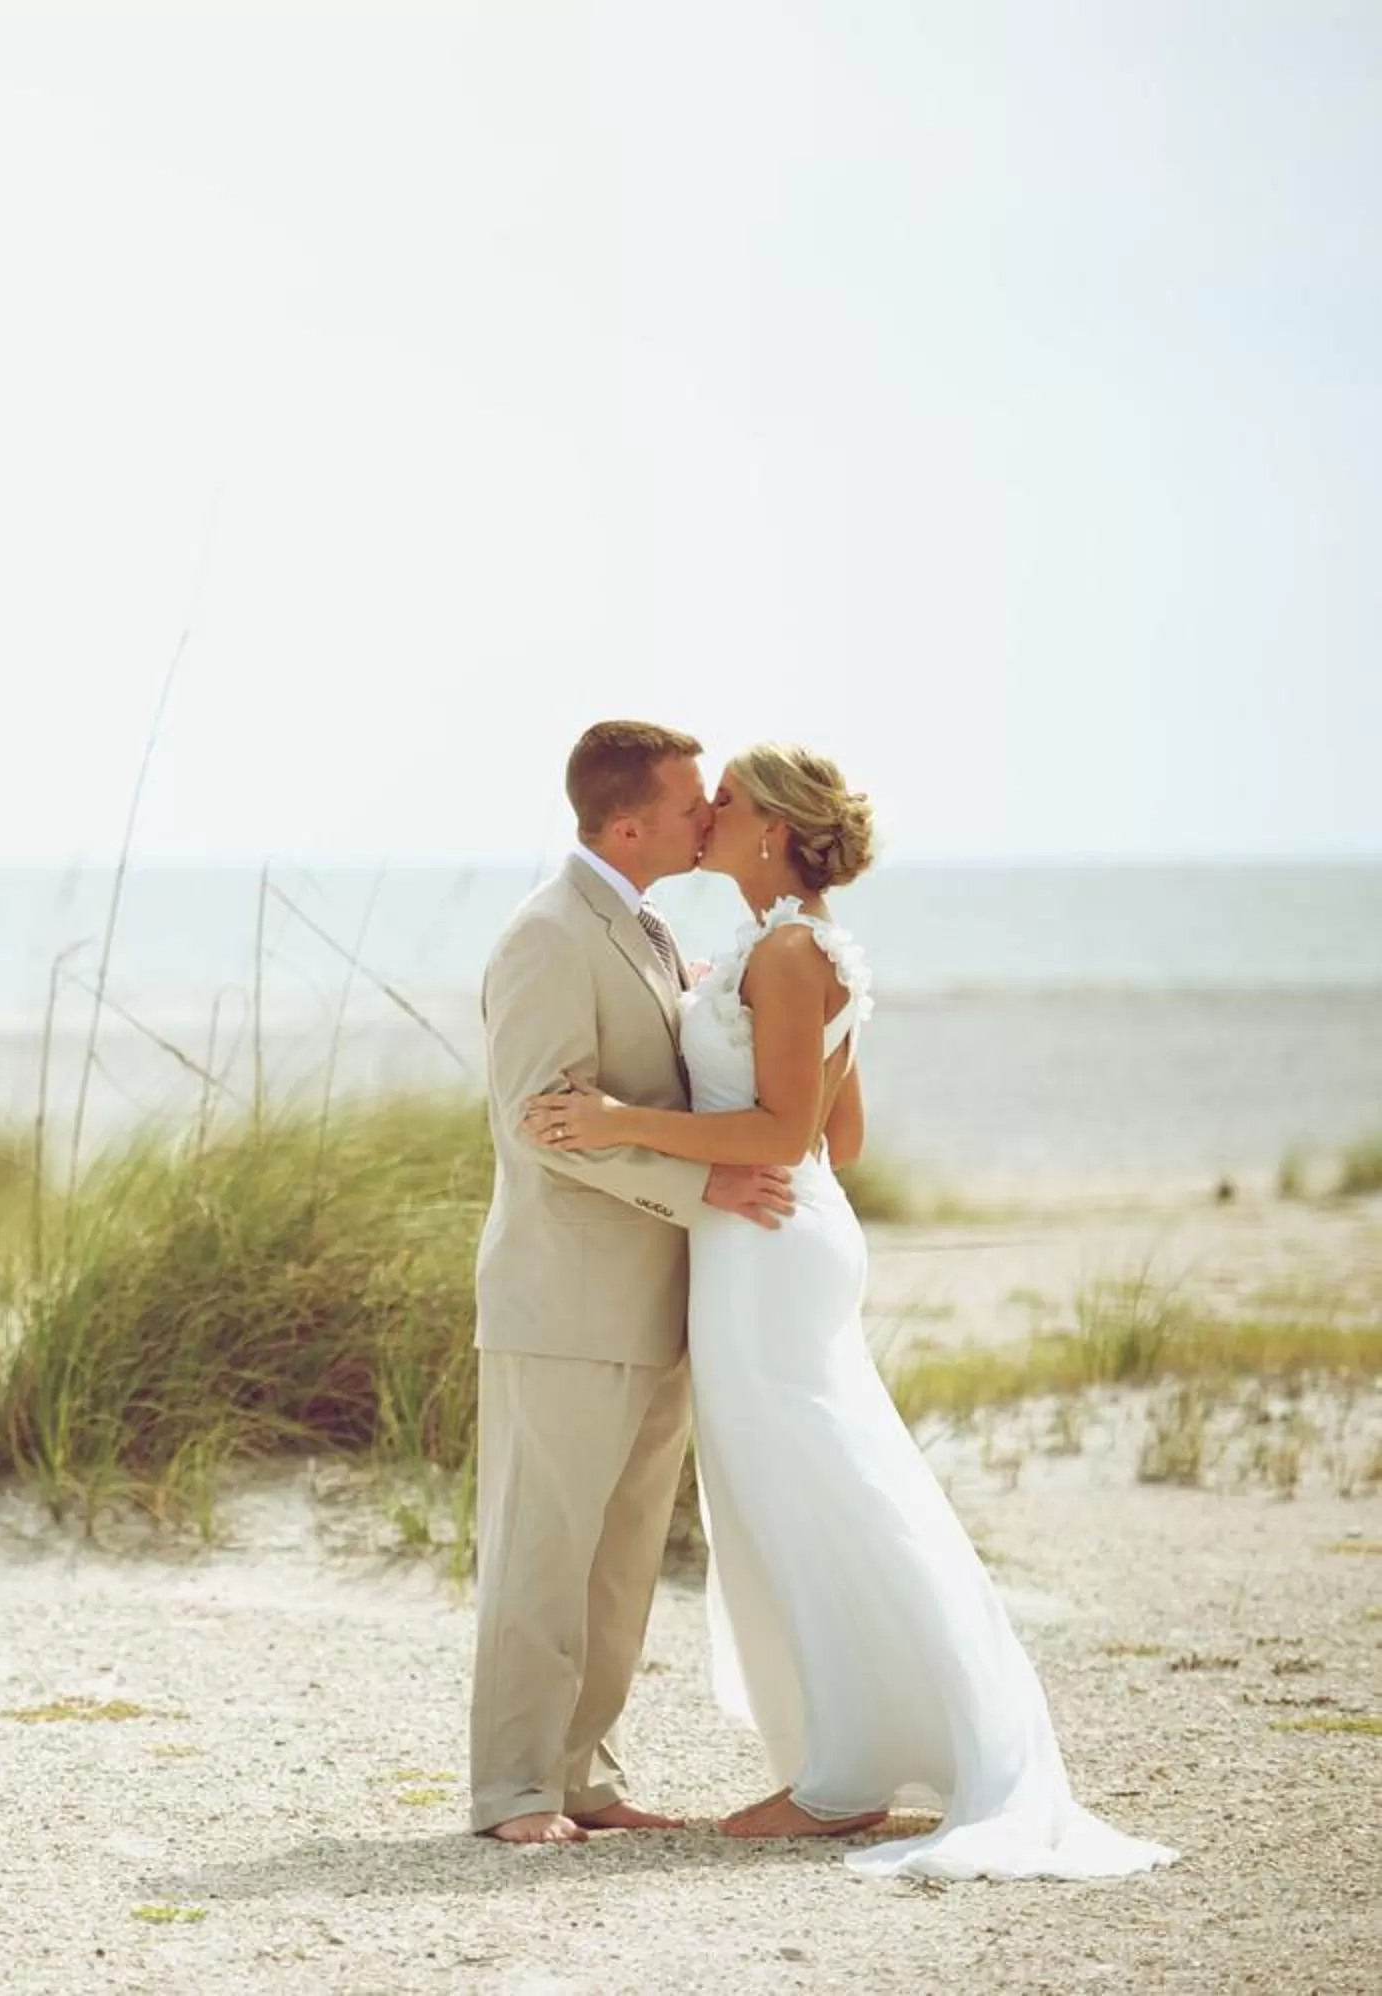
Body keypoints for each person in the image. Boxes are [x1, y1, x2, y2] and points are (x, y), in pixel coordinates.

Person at [522, 742, 1176, 1882]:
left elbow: (784, 1138)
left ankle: (842, 1781)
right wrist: (717, 1123)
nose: (707, 811)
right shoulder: (805, 946)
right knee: (812, 1488)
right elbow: (843, 1136)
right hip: (777, 1240)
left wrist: (627, 1118)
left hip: (769, 1251)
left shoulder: (785, 950)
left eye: (726, 800)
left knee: (814, 1489)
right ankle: (852, 1756)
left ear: (773, 827)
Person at [466, 720, 796, 1846]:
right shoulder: (549, 936)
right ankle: (514, 1790)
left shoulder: (644, 926)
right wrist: (708, 1194)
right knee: (541, 1551)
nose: (710, 817)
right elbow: (547, 1126)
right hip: (563, 1302)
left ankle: (583, 1777)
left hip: (656, 1302)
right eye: (694, 801)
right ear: (628, 822)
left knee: (616, 1564)